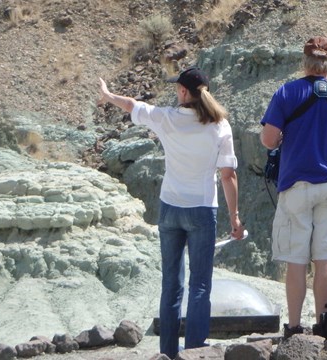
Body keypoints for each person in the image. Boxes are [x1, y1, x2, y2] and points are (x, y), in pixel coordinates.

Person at [97, 67, 245, 358]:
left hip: (170, 208)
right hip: (203, 209)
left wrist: (107, 95)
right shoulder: (220, 126)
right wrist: (235, 217)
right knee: (200, 285)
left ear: (183, 92)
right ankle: (195, 352)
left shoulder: (166, 118)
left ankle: (167, 353)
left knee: (171, 284)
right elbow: (228, 175)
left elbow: (131, 105)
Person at [260, 36, 327, 338]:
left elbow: (269, 140)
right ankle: (323, 325)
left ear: (305, 62)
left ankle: (294, 327)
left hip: (295, 184)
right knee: (325, 257)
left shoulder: (286, 93)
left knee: (296, 258)